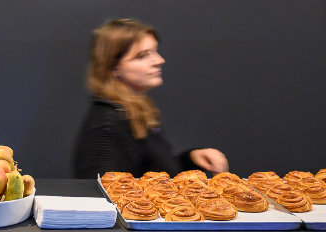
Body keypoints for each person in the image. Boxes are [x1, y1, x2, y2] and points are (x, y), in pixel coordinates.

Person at [73, 18, 228, 178]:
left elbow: (155, 174)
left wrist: (191, 159)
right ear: (113, 67)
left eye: (155, 51)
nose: (159, 60)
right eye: (142, 56)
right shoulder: (108, 125)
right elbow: (98, 189)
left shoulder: (134, 110)